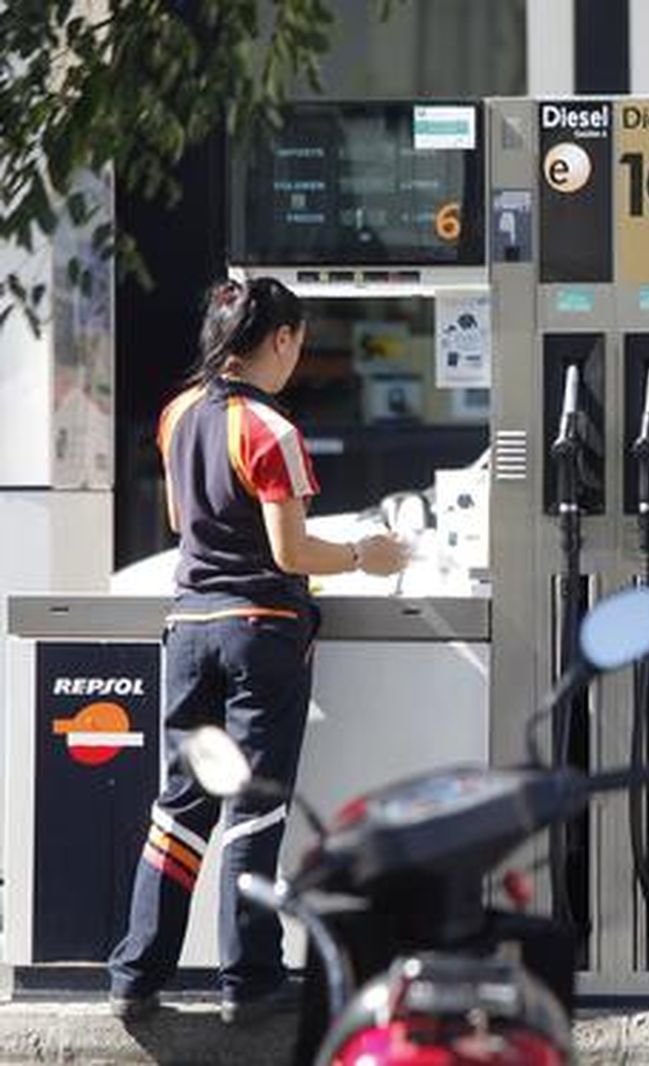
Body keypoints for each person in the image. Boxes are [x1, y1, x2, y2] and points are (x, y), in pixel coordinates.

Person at [107, 278, 407, 1024]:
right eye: (297, 342)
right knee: (253, 809)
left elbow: (182, 520)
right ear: (280, 339)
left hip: (190, 628)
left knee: (179, 808)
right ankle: (249, 981)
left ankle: (135, 975)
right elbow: (291, 551)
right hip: (261, 633)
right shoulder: (271, 430)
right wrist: (364, 555)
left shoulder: (179, 414)